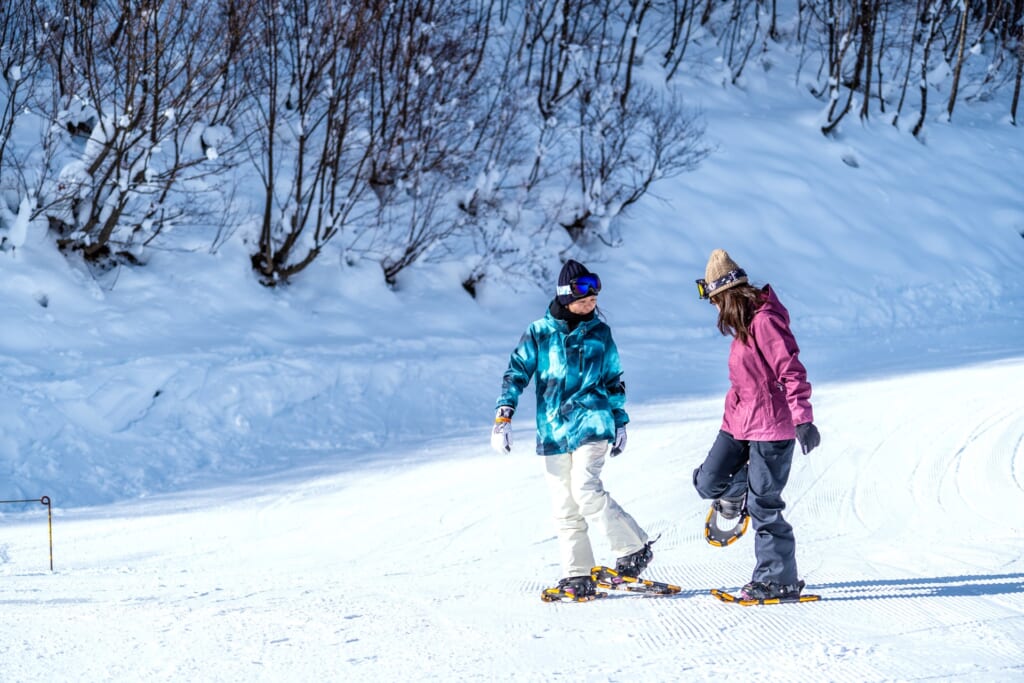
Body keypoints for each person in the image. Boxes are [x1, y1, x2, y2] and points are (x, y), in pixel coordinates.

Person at [491, 259, 654, 600]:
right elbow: (516, 372)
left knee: (585, 489)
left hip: (592, 422)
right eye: (583, 299)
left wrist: (620, 420)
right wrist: (503, 416)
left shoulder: (600, 334)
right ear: (565, 297)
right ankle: (577, 574)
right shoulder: (539, 332)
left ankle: (633, 547)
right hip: (552, 430)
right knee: (564, 506)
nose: (590, 304)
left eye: (594, 299)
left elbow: (613, 379)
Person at [692, 249, 821, 601]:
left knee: (765, 505)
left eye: (715, 301)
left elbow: (790, 369)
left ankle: (778, 579)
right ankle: (739, 492)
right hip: (738, 423)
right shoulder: (742, 325)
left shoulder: (764, 321)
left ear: (727, 296)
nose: (715, 310)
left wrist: (803, 418)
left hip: (773, 427)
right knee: (708, 481)